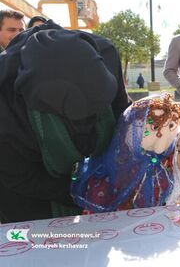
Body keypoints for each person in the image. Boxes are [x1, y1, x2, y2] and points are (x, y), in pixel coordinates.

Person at [0, 21, 130, 222]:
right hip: (24, 190)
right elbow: (18, 177)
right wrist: (83, 192)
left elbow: (123, 120)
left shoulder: (106, 54)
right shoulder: (7, 103)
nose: (87, 124)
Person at [72, 94, 180, 213]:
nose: (163, 135)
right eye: (155, 127)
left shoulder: (170, 156)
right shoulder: (120, 162)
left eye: (171, 125)